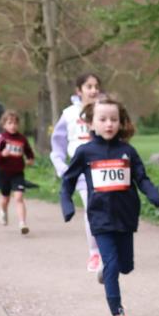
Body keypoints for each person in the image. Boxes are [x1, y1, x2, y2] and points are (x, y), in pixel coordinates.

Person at [60, 95, 159, 316]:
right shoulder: (86, 152)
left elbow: (141, 178)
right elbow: (68, 180)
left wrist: (153, 194)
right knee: (114, 265)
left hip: (126, 217)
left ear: (121, 122)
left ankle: (107, 269)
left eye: (113, 119)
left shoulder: (127, 150)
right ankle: (118, 315)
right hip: (100, 218)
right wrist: (66, 203)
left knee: (125, 266)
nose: (109, 124)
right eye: (103, 119)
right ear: (91, 123)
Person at [51, 73, 104, 272]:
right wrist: (62, 168)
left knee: (107, 209)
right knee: (91, 208)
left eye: (96, 86)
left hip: (104, 169)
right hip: (82, 172)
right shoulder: (69, 114)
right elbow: (57, 145)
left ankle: (108, 247)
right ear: (78, 90)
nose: (94, 90)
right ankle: (95, 253)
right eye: (89, 86)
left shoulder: (104, 109)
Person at [0, 110, 35, 235]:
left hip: (18, 173)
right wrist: (2, 154)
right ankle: (3, 211)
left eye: (15, 123)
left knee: (19, 197)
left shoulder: (22, 139)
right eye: (9, 123)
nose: (13, 126)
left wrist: (30, 159)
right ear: (4, 125)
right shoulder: (1, 138)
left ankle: (22, 224)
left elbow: (29, 152)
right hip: (3, 172)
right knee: (5, 198)